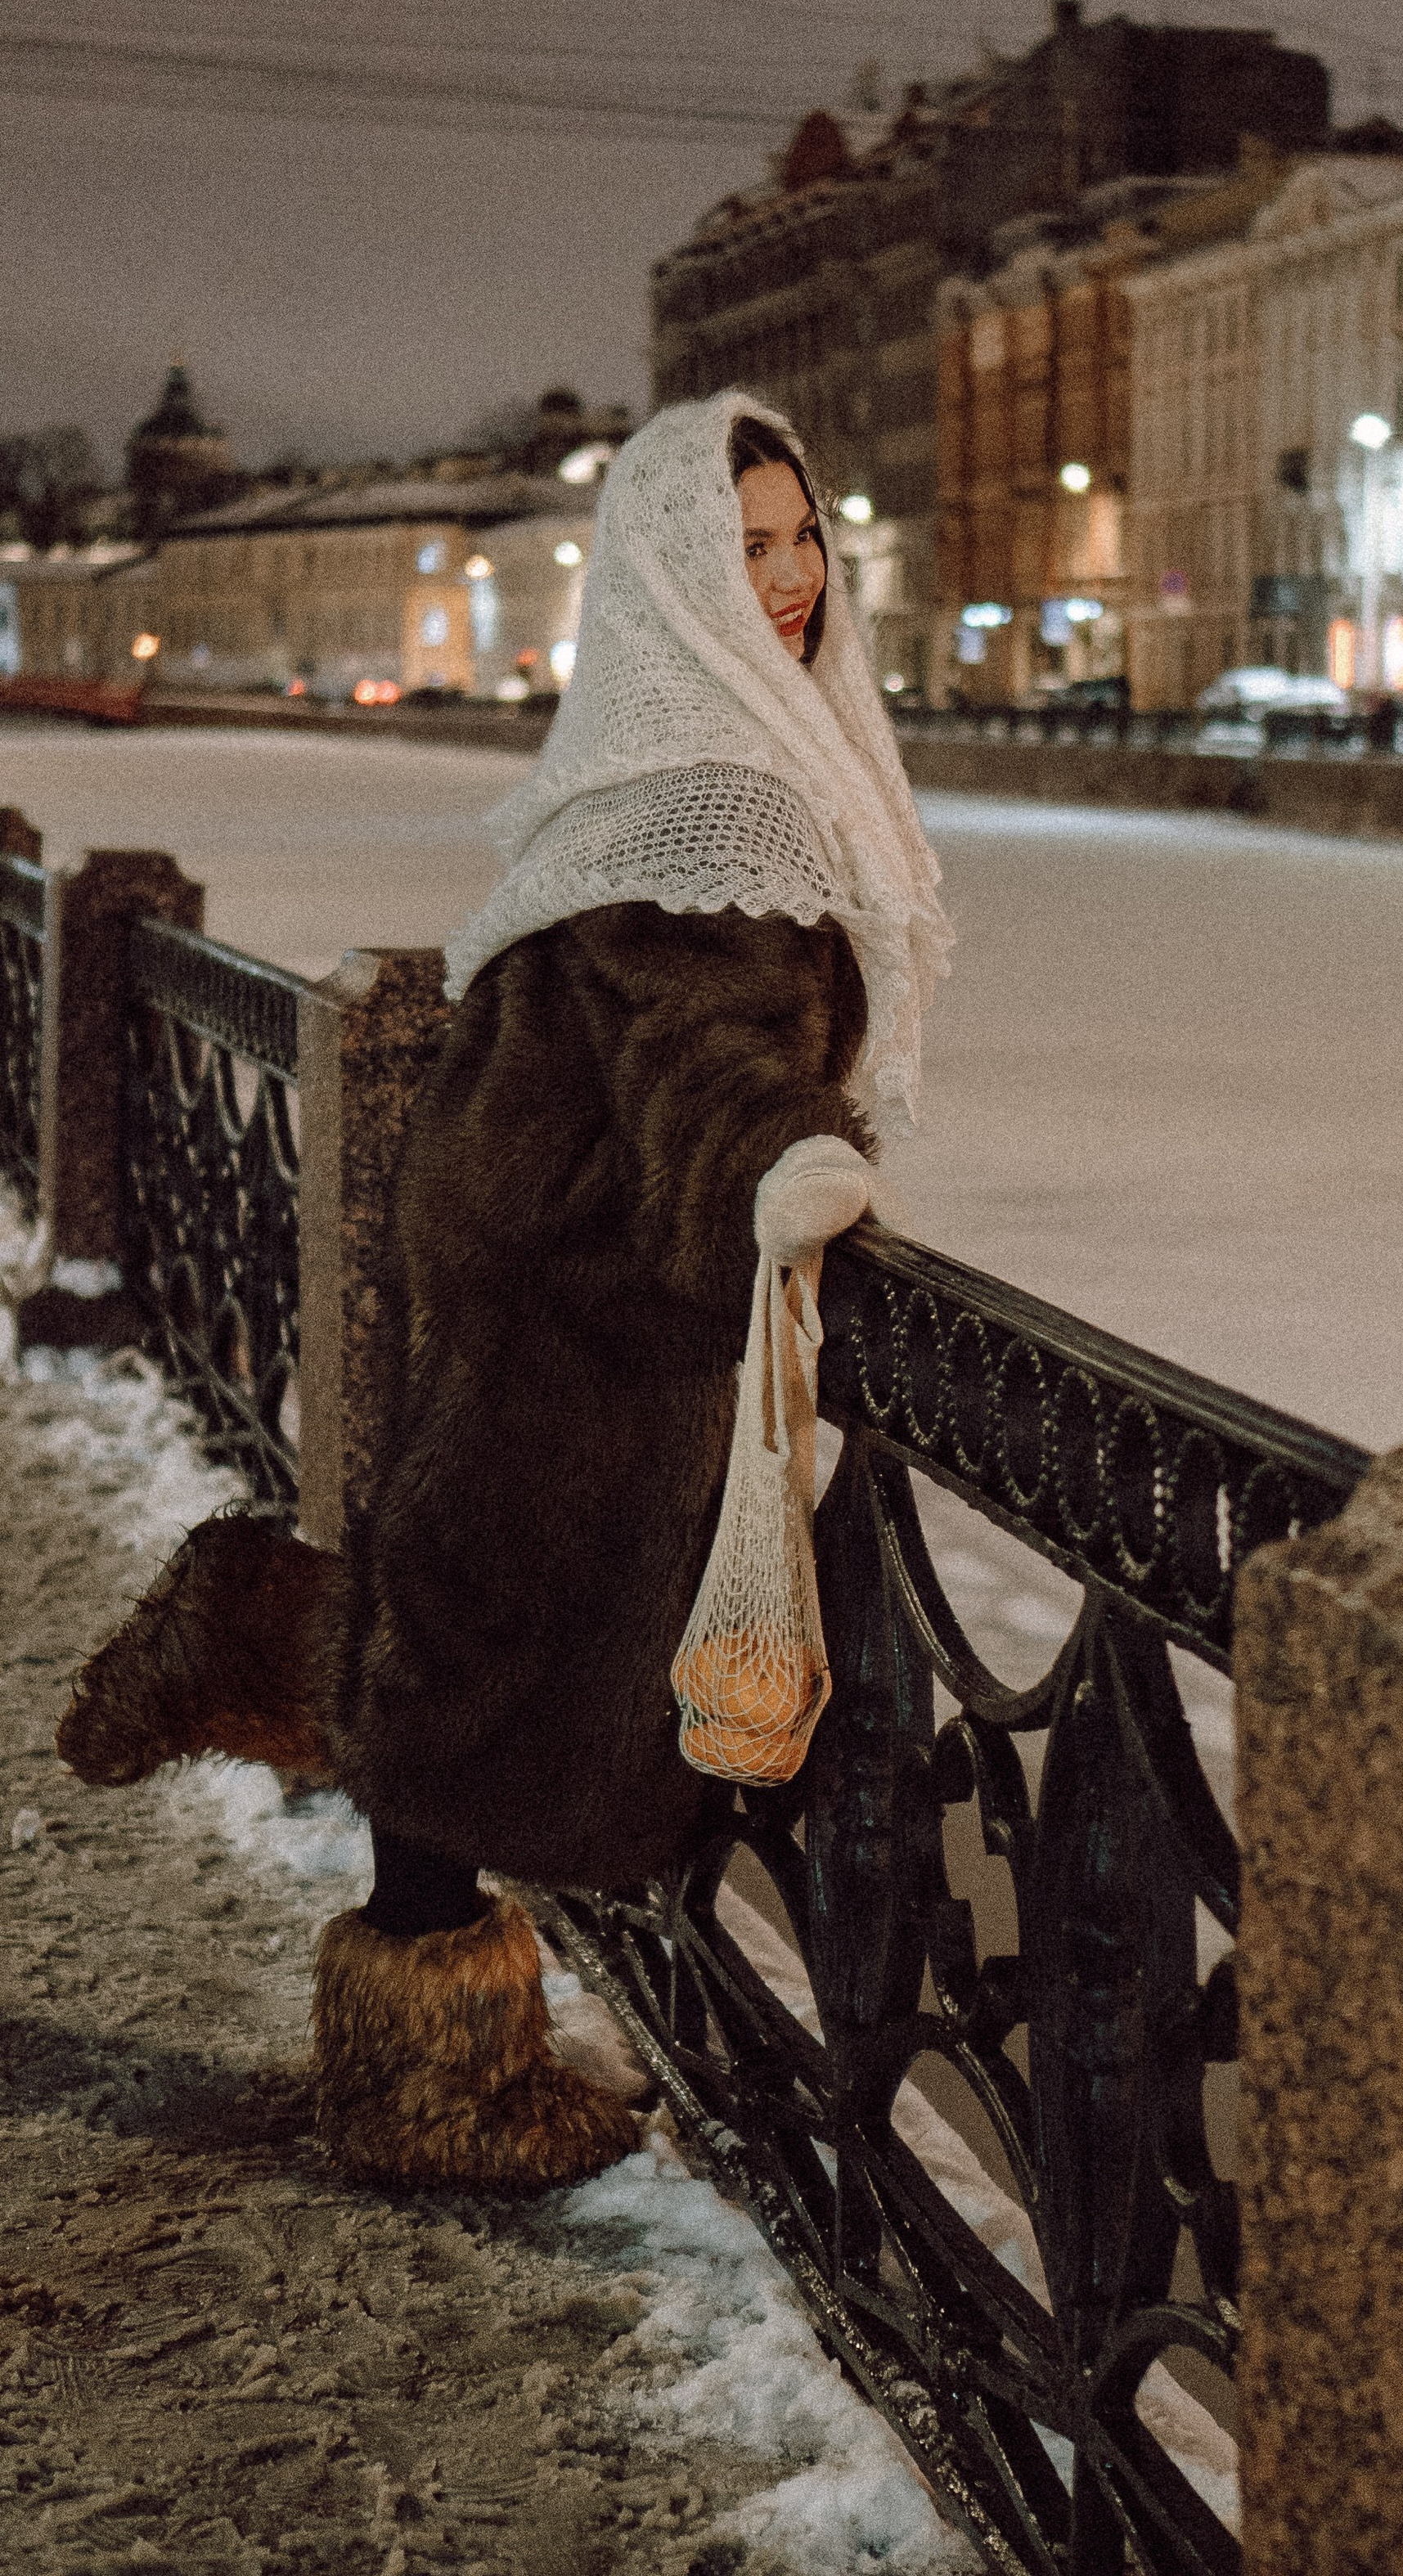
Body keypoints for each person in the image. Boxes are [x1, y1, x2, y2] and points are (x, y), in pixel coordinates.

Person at [59, 392, 950, 2190]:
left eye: (798, 544)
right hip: (596, 1291)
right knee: (482, 1680)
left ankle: (259, 1663)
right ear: (669, 577)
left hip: (551, 1252)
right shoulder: (716, 786)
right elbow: (691, 1035)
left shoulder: (692, 736)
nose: (783, 583)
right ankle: (431, 2082)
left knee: (471, 1637)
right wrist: (771, 1159)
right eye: (744, 550)